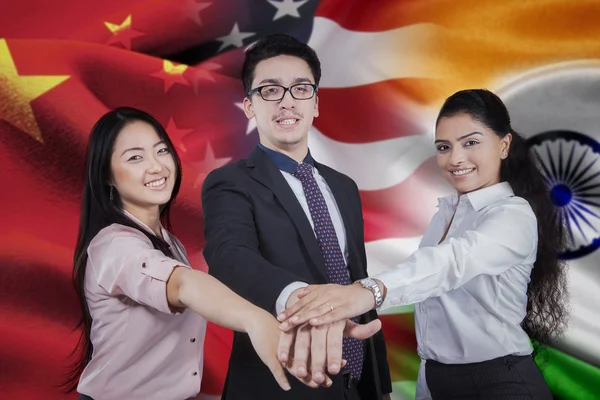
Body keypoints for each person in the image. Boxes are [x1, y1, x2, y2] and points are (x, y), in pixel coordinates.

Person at [278, 89, 569, 399]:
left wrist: (368, 292)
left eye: (471, 142)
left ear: (504, 144)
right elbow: (430, 299)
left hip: (499, 383)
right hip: (435, 376)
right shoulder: (446, 215)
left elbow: (451, 264)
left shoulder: (514, 215)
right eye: (444, 147)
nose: (455, 158)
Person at [201, 34, 392, 400]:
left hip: (356, 381)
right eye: (270, 90)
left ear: (316, 103)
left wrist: (378, 383)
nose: (287, 102)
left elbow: (358, 280)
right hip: (280, 381)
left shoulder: (344, 187)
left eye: (300, 89)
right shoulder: (230, 182)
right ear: (249, 106)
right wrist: (300, 298)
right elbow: (230, 257)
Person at [63, 107, 292, 400]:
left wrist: (301, 312)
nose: (156, 166)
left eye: (161, 150)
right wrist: (255, 320)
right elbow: (184, 284)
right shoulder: (115, 246)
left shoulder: (170, 243)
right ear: (107, 176)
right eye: (135, 157)